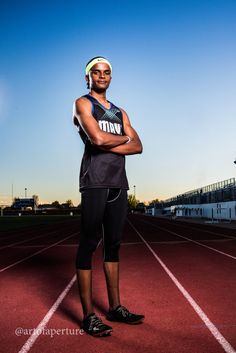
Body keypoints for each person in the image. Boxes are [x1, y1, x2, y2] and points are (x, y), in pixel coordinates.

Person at [73, 56, 144, 337]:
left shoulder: (120, 111)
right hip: (94, 182)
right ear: (88, 77)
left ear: (111, 78)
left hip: (119, 184)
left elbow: (138, 146)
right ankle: (88, 316)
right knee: (89, 244)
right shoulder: (82, 103)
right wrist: (121, 139)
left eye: (106, 72)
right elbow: (96, 140)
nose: (101, 76)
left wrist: (113, 140)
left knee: (113, 245)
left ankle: (115, 307)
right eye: (96, 72)